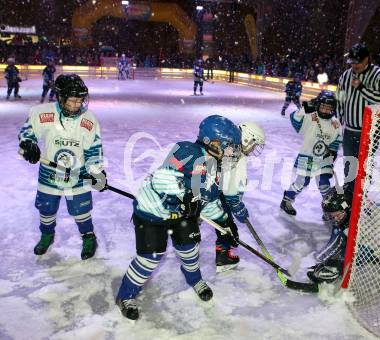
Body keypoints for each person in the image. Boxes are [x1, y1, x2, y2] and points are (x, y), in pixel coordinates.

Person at [115, 115, 242, 320]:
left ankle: (195, 280)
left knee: (190, 252)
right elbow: (162, 178)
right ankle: (125, 295)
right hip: (153, 212)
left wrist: (225, 224)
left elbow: (208, 200)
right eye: (229, 147)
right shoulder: (185, 150)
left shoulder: (215, 167)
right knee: (149, 259)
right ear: (213, 142)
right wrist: (186, 194)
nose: (232, 152)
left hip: (182, 214)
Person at [18, 74, 106, 260]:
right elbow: (27, 133)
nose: (76, 105)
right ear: (60, 97)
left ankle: (88, 237)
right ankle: (47, 235)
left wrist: (96, 171)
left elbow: (93, 148)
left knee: (81, 210)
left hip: (78, 174)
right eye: (72, 101)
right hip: (49, 174)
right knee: (46, 208)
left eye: (80, 101)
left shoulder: (88, 119)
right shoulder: (42, 113)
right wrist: (28, 145)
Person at [336, 43, 380, 192]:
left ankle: (361, 197)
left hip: (369, 131)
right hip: (349, 130)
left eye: (357, 61)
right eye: (352, 62)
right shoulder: (345, 75)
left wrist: (361, 88)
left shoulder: (379, 74)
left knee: (364, 166)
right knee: (349, 164)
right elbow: (340, 98)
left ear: (367, 59)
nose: (354, 65)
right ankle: (349, 195)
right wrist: (338, 120)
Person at [280, 90, 342, 218]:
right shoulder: (310, 115)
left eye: (329, 108)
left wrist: (332, 152)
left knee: (324, 184)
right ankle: (286, 200)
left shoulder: (335, 123)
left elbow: (337, 140)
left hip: (323, 158)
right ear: (318, 105)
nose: (325, 110)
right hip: (307, 156)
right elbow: (294, 118)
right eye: (323, 107)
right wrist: (305, 107)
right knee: (302, 182)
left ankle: (328, 207)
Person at [215, 121, 266, 272]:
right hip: (218, 198)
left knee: (226, 228)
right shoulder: (234, 156)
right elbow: (230, 190)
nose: (254, 148)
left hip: (217, 196)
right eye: (254, 144)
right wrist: (238, 207)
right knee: (226, 229)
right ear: (246, 139)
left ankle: (224, 253)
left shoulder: (233, 151)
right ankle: (223, 258)